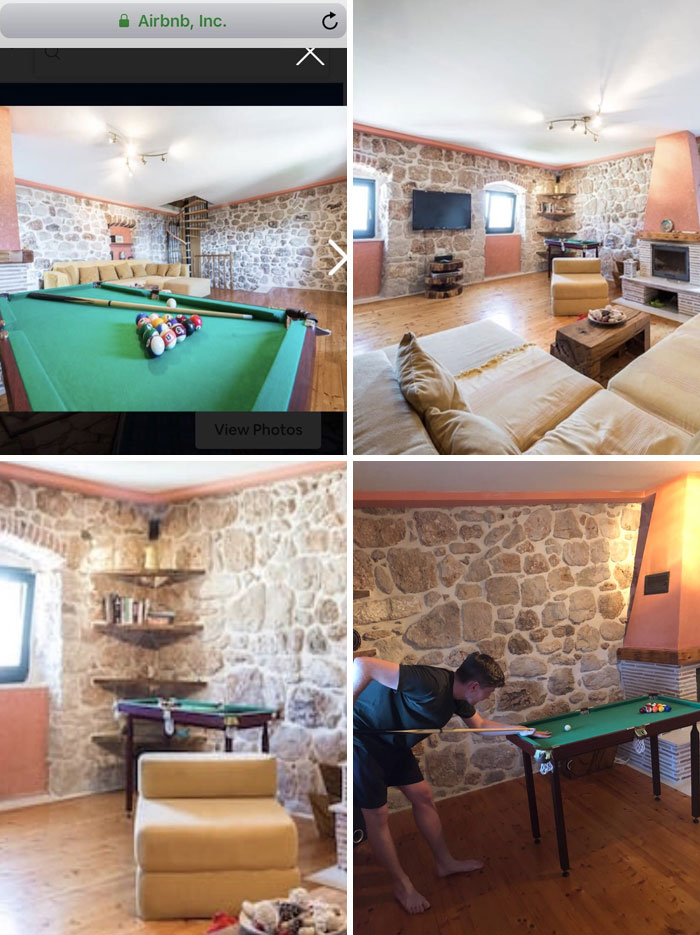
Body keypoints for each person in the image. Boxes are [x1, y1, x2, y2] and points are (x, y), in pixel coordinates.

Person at [353, 652, 551, 915]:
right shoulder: (430, 682)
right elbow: (364, 665)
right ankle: (402, 885)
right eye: (488, 693)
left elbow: (480, 725)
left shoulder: (457, 699)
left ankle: (444, 862)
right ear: (473, 687)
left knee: (422, 797)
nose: (487, 698)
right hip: (362, 741)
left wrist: (521, 730)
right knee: (378, 816)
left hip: (395, 747)